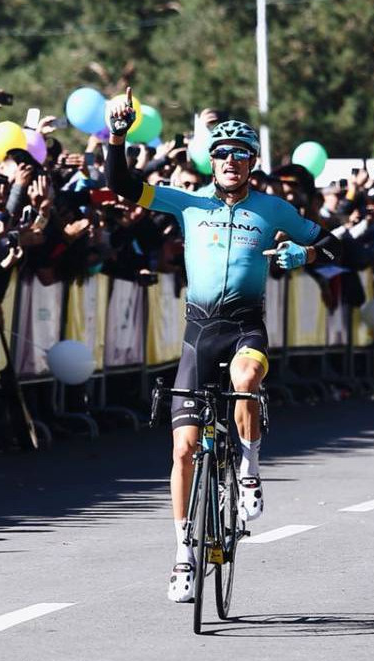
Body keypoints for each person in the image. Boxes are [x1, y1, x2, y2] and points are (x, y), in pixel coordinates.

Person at [104, 89, 341, 603]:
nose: (230, 161)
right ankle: (184, 556)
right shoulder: (186, 202)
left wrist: (301, 255)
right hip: (198, 334)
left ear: (252, 163)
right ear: (209, 161)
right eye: (222, 153)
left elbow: (335, 242)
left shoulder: (272, 208)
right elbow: (121, 185)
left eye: (240, 154)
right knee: (183, 449)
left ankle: (251, 471)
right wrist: (118, 135)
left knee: (246, 380)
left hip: (244, 328)